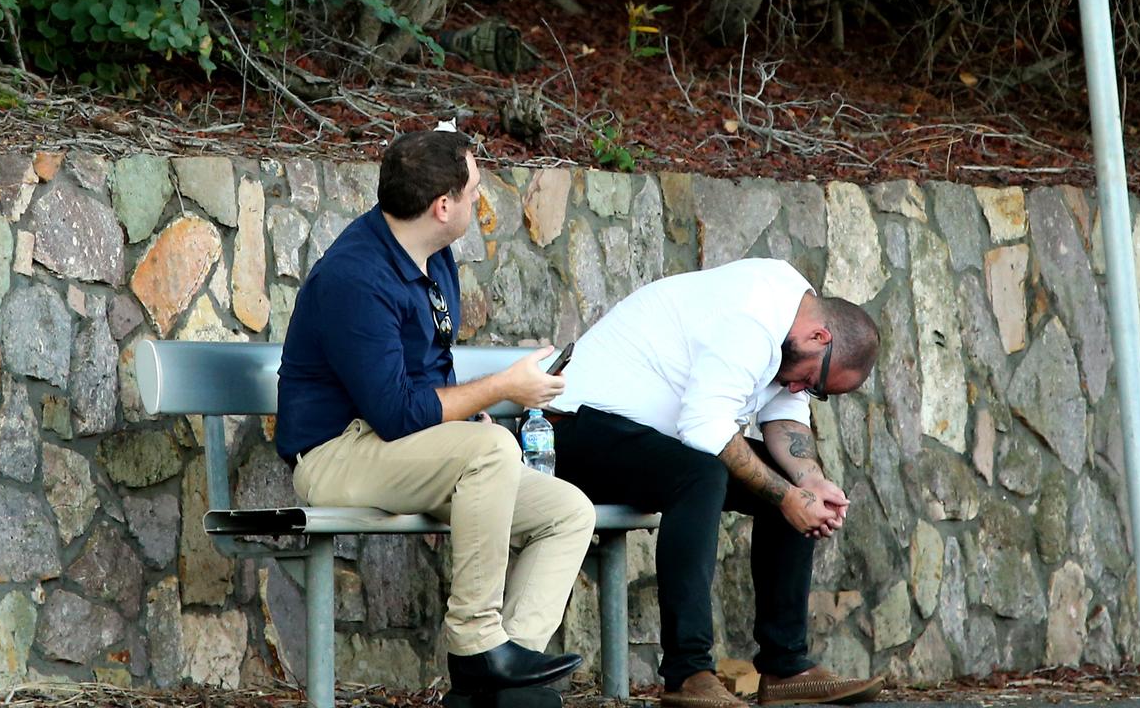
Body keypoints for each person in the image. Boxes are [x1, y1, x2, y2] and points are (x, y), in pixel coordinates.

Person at [275, 130, 596, 699]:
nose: (479, 202)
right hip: (335, 454)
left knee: (568, 511)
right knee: (493, 451)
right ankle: (475, 646)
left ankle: (502, 683)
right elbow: (398, 413)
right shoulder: (355, 278)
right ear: (442, 206)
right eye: (473, 191)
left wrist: (469, 416)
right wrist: (500, 389)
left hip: (398, 449)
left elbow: (426, 373)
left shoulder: (432, 256)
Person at [548, 258, 884, 708]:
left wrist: (810, 482)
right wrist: (788, 498)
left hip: (649, 440)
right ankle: (687, 674)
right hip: (574, 429)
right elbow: (705, 428)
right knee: (702, 473)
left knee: (770, 479)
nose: (804, 389)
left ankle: (785, 668)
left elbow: (783, 415)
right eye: (814, 382)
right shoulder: (754, 318)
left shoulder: (795, 317)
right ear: (819, 338)